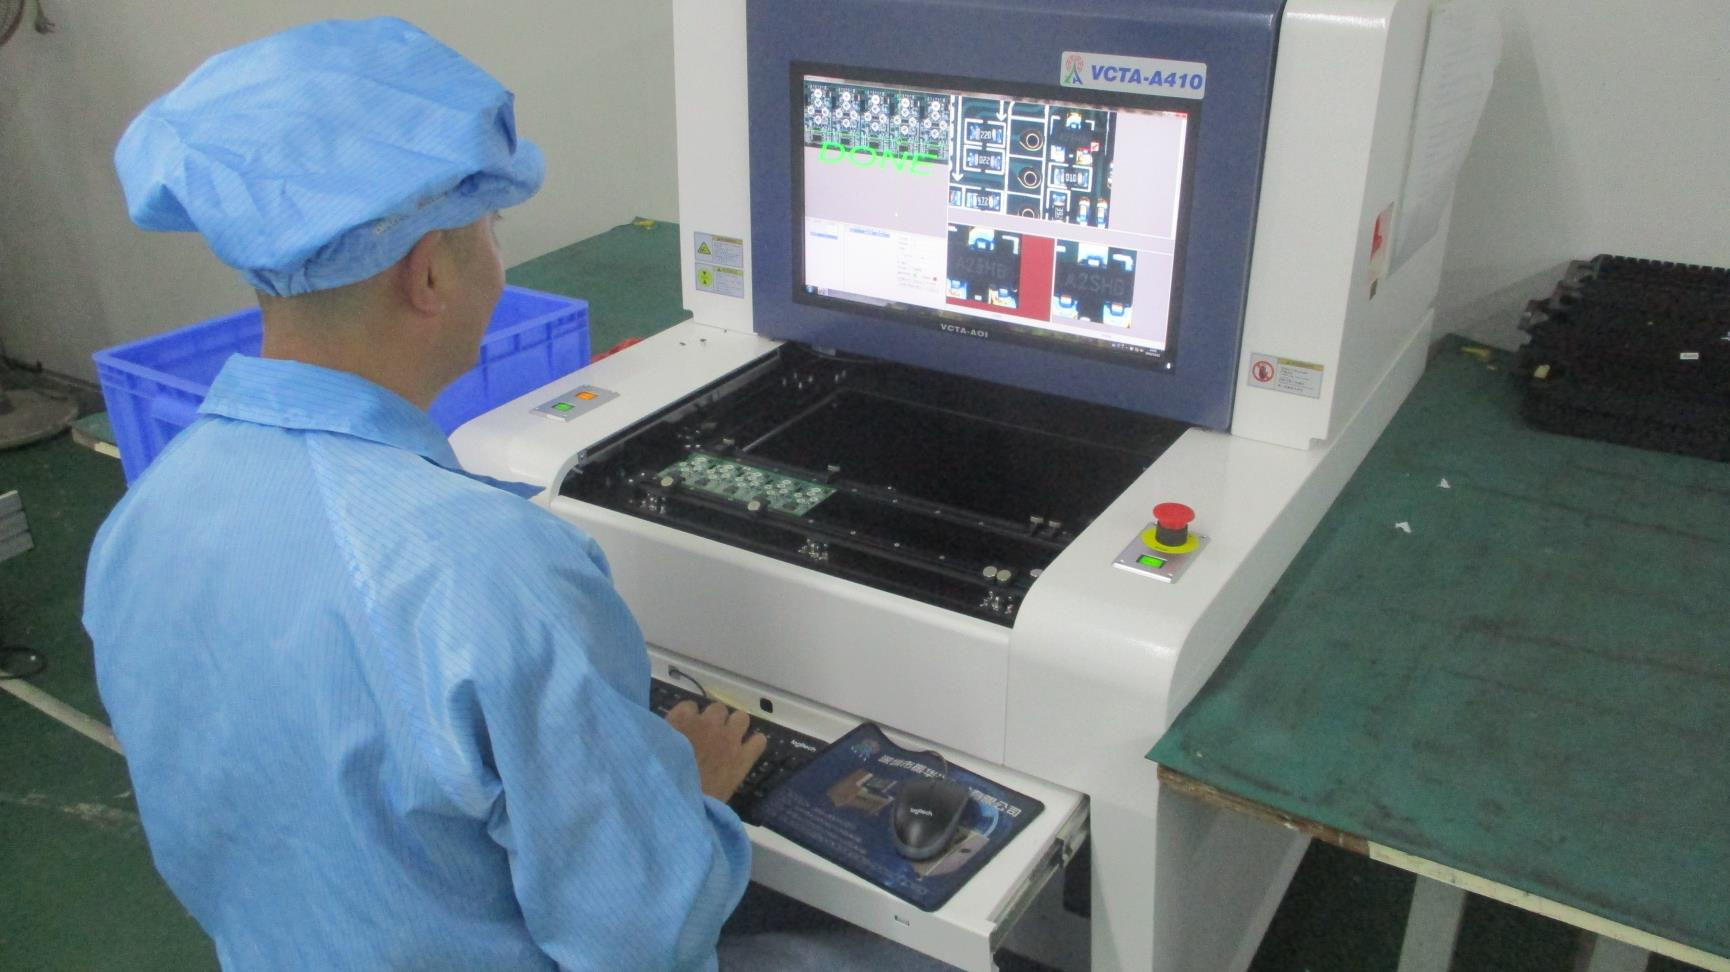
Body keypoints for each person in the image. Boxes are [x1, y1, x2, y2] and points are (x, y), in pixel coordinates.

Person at [87, 18, 774, 970]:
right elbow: (638, 936)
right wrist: (684, 797)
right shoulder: (494, 573)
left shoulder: (141, 521)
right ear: (432, 271)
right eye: (493, 230)